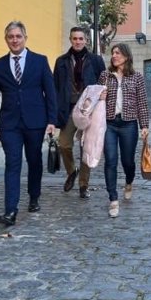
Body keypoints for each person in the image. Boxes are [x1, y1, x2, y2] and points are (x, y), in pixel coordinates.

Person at [0, 21, 57, 227]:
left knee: (34, 161)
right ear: (6, 39)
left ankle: (34, 196)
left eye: (18, 36)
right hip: (9, 124)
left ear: (25, 38)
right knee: (13, 163)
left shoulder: (40, 61)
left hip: (35, 121)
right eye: (10, 37)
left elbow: (50, 92)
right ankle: (10, 210)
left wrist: (52, 120)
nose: (14, 40)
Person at [98, 43, 149, 218]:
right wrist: (100, 97)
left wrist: (144, 126)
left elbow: (142, 103)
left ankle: (129, 181)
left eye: (118, 53)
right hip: (109, 124)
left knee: (128, 161)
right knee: (110, 160)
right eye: (113, 53)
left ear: (126, 56)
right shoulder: (105, 76)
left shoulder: (137, 77)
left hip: (128, 124)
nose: (114, 55)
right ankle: (113, 199)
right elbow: (97, 101)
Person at [53, 26, 105, 198]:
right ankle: (71, 171)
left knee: (86, 148)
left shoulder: (96, 61)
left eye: (81, 39)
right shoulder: (61, 61)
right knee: (64, 144)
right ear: (70, 40)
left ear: (85, 40)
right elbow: (55, 87)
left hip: (89, 110)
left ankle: (84, 184)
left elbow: (103, 83)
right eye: (75, 38)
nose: (78, 42)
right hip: (68, 109)